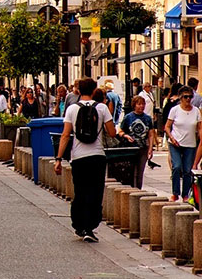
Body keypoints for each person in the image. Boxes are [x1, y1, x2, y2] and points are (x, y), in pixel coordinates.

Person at [55, 78, 116, 242]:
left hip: (79, 157)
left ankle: (79, 225)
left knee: (80, 191)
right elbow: (112, 132)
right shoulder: (102, 108)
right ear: (95, 89)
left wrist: (59, 159)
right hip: (97, 156)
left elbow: (65, 135)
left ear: (79, 91)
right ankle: (90, 227)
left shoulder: (72, 109)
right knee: (95, 192)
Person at [165, 85, 202, 202]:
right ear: (180, 98)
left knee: (187, 170)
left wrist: (200, 140)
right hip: (175, 142)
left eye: (190, 97)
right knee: (176, 167)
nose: (188, 99)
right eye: (185, 97)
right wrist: (171, 137)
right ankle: (175, 192)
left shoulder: (196, 111)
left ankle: (185, 194)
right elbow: (167, 126)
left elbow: (200, 128)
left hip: (190, 144)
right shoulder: (175, 110)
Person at [119, 95, 155, 189]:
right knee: (130, 171)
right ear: (134, 105)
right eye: (139, 104)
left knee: (140, 172)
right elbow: (120, 131)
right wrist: (125, 135)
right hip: (131, 148)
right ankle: (131, 188)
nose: (141, 106)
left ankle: (138, 189)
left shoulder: (147, 118)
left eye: (143, 104)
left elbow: (151, 134)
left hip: (143, 148)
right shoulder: (128, 117)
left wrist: (150, 148)